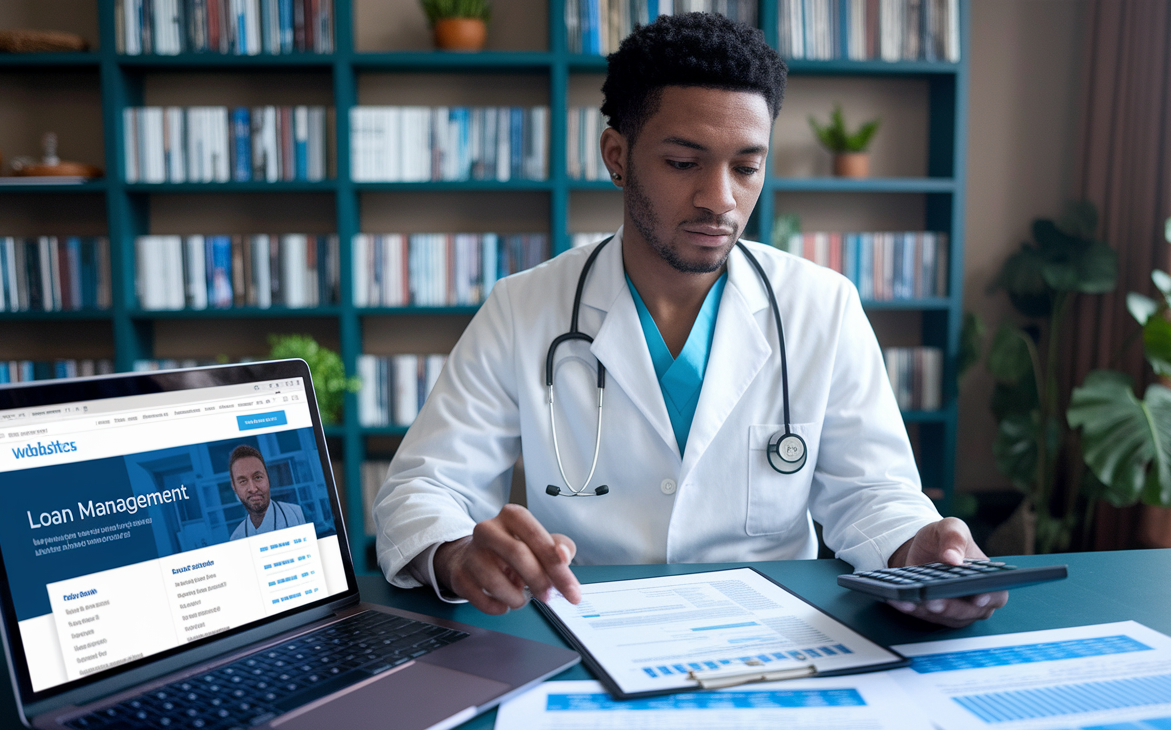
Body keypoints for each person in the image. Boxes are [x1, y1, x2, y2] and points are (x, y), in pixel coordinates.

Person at [373, 13, 1006, 628]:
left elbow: (872, 494)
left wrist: (917, 551)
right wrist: (458, 554)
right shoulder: (523, 309)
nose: (720, 199)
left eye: (746, 166)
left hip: (770, 644)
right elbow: (423, 490)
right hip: (582, 630)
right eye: (684, 163)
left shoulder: (821, 306)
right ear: (616, 156)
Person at [227, 444, 306, 540]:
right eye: (243, 481)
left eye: (258, 477)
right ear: (234, 486)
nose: (253, 488)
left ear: (268, 478)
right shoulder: (237, 538)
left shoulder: (297, 514)